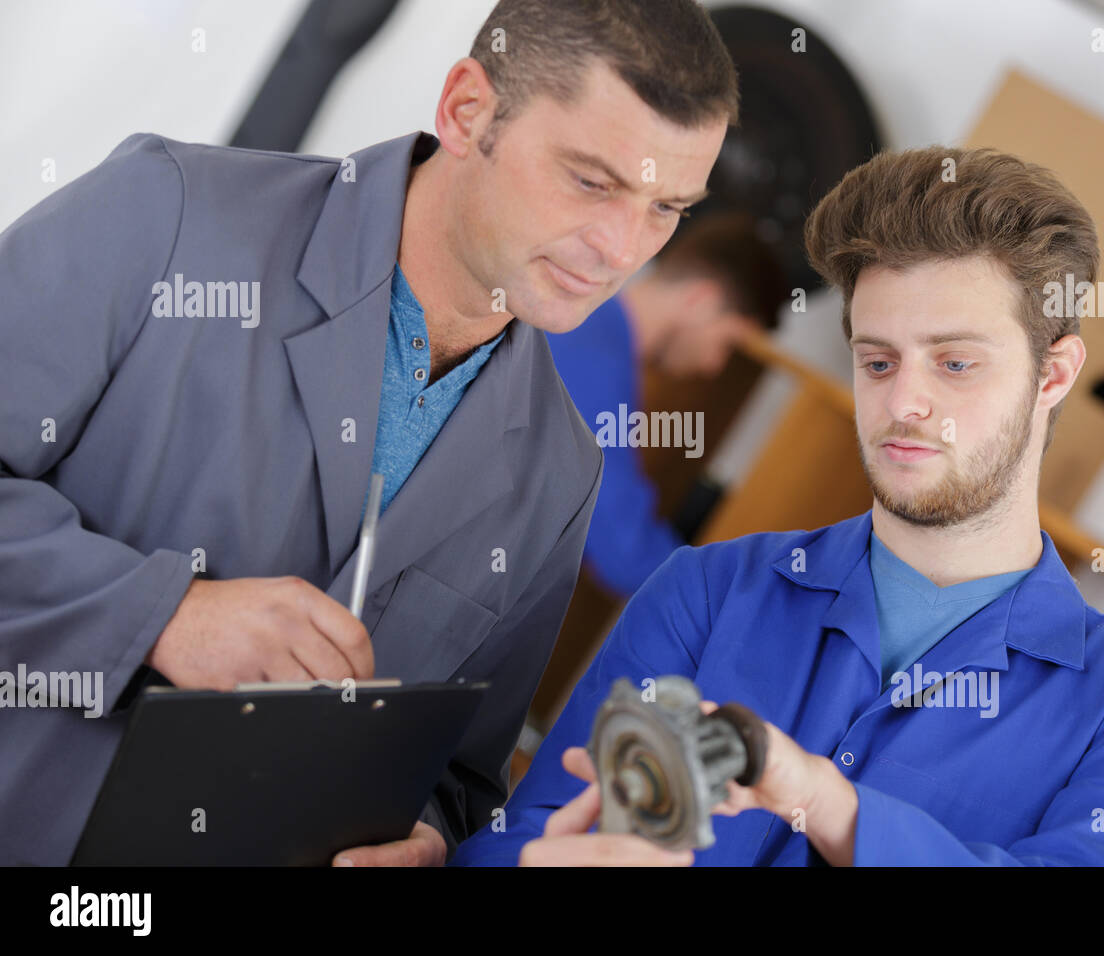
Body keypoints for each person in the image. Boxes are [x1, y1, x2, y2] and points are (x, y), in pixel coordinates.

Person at [0, 0, 737, 866]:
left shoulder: (563, 471)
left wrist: (424, 834)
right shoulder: (172, 215)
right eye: (592, 180)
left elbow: (459, 774)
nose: (621, 247)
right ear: (468, 110)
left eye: (666, 209)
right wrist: (160, 614)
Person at [450, 146, 1104, 867]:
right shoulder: (707, 592)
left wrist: (829, 806)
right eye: (878, 361)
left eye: (954, 362)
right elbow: (520, 835)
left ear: (1052, 375)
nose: (904, 402)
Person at [546, 212, 788, 598]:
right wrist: (732, 606)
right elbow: (622, 546)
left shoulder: (587, 327)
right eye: (727, 344)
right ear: (701, 300)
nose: (714, 366)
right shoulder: (591, 353)